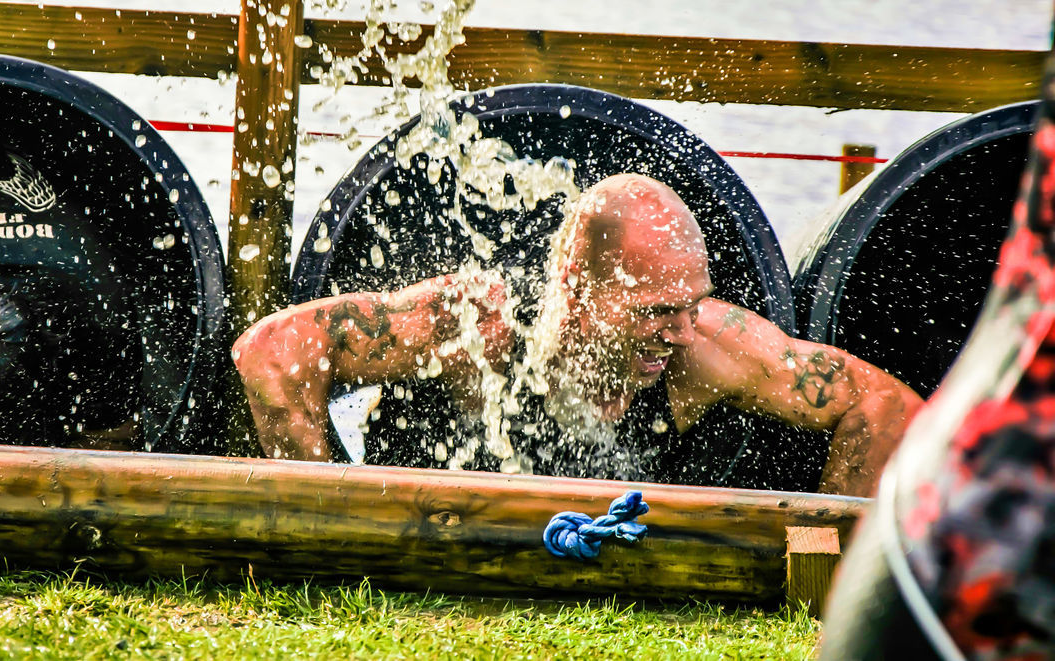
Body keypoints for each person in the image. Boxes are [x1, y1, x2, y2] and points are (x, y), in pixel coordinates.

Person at [234, 173, 923, 497]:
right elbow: (272, 349)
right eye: (656, 311)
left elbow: (887, 405)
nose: (681, 331)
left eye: (694, 303)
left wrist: (837, 554)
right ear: (578, 290)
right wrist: (324, 511)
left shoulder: (707, 343)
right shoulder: (477, 323)